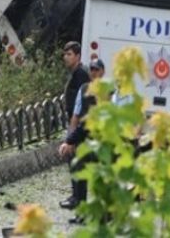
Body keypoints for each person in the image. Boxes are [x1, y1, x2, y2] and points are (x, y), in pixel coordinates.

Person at [59, 58, 105, 223]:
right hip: (86, 138)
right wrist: (70, 140)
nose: (94, 72)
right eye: (91, 69)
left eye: (97, 69)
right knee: (79, 175)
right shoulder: (84, 89)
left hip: (103, 141)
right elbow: (76, 116)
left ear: (102, 72)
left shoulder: (109, 92)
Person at [59, 41, 90, 211]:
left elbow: (80, 105)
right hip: (73, 120)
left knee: (77, 161)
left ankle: (78, 198)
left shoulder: (81, 75)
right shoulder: (75, 73)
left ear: (77, 56)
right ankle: (75, 195)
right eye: (65, 54)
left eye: (69, 54)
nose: (66, 57)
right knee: (73, 160)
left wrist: (73, 129)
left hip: (78, 123)